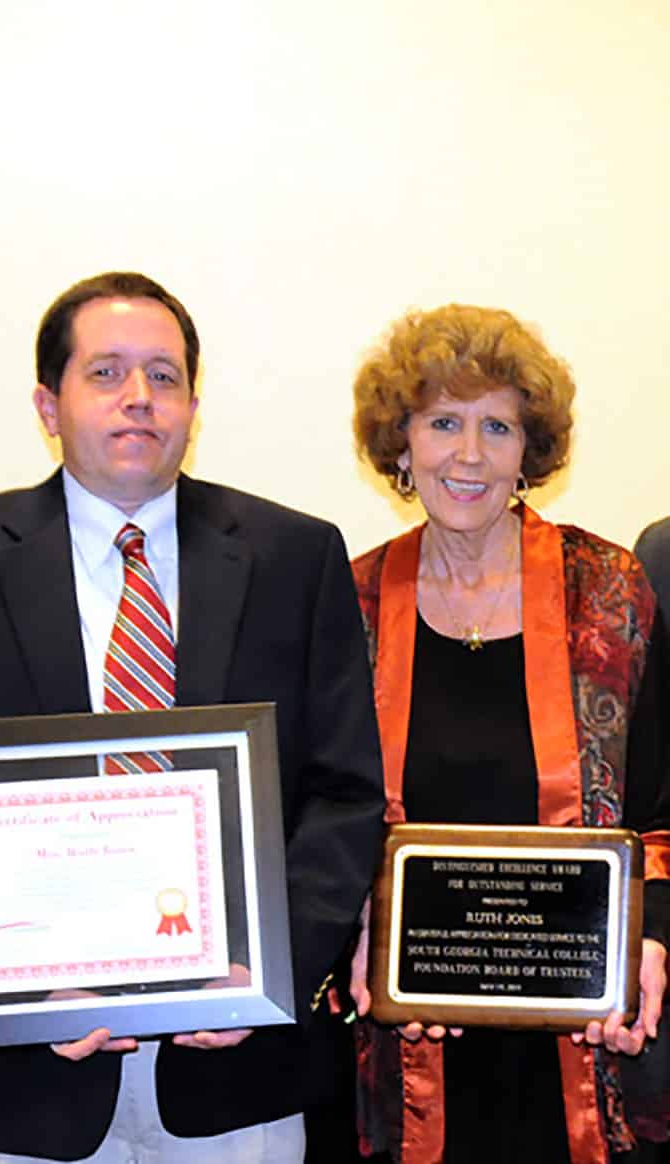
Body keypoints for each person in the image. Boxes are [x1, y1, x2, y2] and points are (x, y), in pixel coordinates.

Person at [0, 271, 384, 1162]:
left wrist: (265, 977)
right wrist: (8, 996)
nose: (139, 398)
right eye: (105, 372)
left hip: (237, 1073)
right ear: (48, 402)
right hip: (27, 1075)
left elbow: (342, 795)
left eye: (164, 374)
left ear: (194, 401)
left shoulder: (294, 557)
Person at [348, 304, 670, 1163]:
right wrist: (359, 933)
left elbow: (663, 804)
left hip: (586, 1027)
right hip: (417, 1027)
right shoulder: (358, 601)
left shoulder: (609, 589)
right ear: (401, 442)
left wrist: (653, 936)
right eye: (443, 422)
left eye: (498, 426)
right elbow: (326, 811)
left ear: (530, 452)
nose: (468, 454)